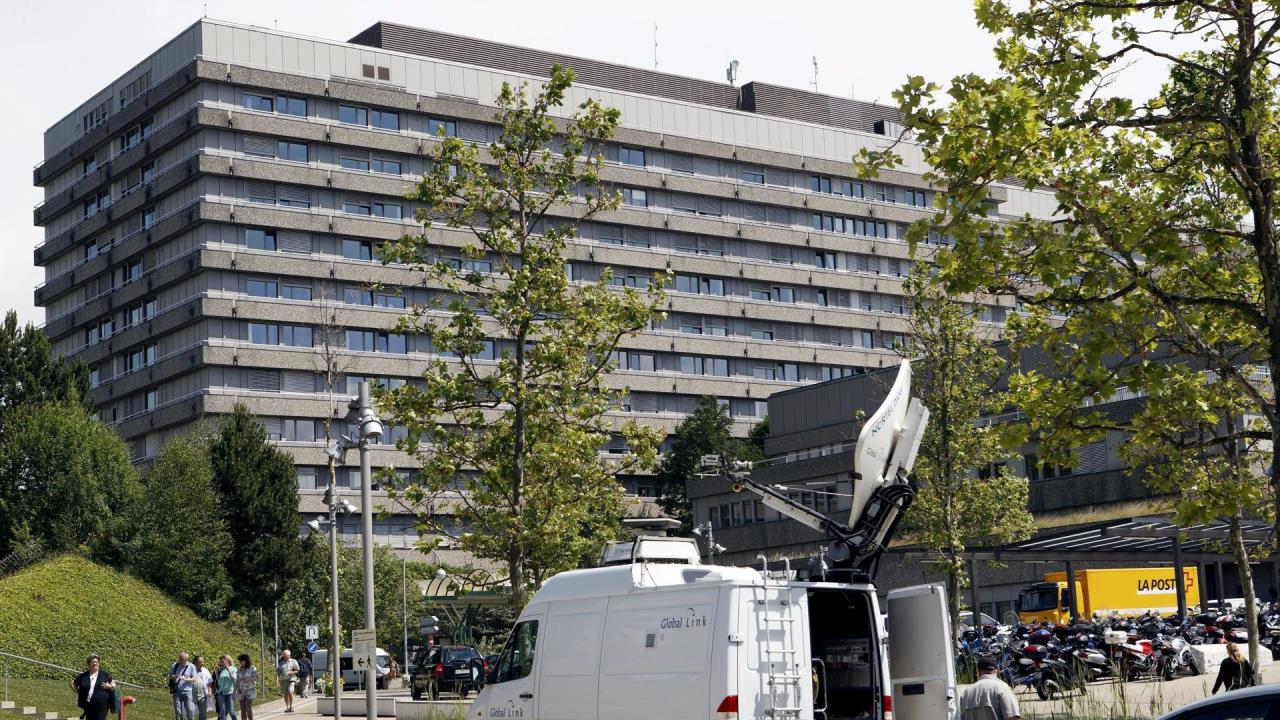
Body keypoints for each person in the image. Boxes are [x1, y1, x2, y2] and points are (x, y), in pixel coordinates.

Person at [960, 656, 1020, 720]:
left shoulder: (966, 692)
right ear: (998, 670)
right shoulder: (1002, 688)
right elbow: (1012, 717)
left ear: (978, 671)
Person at [72, 655, 116, 720]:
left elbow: (114, 684)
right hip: (88, 704)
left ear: (99, 664)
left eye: (96, 662)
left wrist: (109, 686)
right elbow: (72, 683)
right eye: (92, 662)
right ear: (88, 664)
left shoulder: (104, 674)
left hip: (102, 705)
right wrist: (78, 691)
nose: (95, 663)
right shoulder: (84, 676)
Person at [170, 652, 197, 720]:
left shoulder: (191, 666)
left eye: (183, 659)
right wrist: (175, 677)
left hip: (188, 691)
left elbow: (194, 678)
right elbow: (170, 676)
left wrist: (187, 679)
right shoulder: (175, 665)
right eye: (180, 659)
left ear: (187, 659)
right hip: (177, 691)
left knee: (189, 710)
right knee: (178, 711)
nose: (181, 661)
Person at [235, 654, 258, 720]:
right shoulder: (239, 670)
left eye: (241, 661)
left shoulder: (252, 668)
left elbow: (257, 677)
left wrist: (250, 679)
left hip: (250, 691)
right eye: (239, 661)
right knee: (243, 709)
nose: (240, 662)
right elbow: (237, 681)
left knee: (248, 708)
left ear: (246, 661)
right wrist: (235, 691)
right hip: (241, 691)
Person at [192, 656, 214, 720]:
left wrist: (210, 691)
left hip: (202, 695)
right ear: (195, 662)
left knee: (203, 713)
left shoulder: (205, 670)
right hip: (191, 695)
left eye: (203, 662)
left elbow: (209, 682)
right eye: (200, 662)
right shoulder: (190, 669)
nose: (202, 663)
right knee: (191, 712)